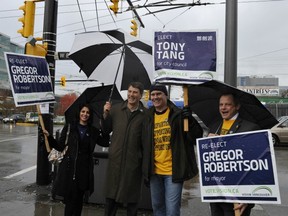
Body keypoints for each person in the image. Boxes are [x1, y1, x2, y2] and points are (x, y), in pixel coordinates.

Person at [142, 83, 203, 216]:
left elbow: (196, 136)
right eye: (153, 94)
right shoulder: (147, 117)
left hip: (173, 172)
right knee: (157, 207)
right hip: (154, 171)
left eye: (159, 94)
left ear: (166, 95)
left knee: (172, 210)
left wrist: (190, 120)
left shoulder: (178, 114)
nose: (155, 97)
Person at [43, 104, 110, 216]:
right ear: (79, 113)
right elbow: (60, 146)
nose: (85, 114)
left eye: (87, 112)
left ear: (90, 115)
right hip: (70, 170)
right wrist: (49, 137)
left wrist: (104, 122)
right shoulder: (70, 127)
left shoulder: (93, 131)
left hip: (84, 171)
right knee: (69, 202)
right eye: (83, 111)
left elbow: (105, 142)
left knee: (79, 202)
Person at [208, 93, 260, 216]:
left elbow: (257, 164)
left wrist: (248, 198)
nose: (223, 108)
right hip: (216, 191)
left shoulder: (250, 128)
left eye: (228, 104)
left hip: (238, 195)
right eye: (221, 104)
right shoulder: (214, 127)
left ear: (237, 106)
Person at [101, 82, 148, 216]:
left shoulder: (145, 114)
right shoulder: (115, 110)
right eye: (130, 91)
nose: (131, 95)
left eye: (135, 92)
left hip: (133, 165)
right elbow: (105, 130)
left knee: (132, 202)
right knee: (111, 200)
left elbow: (146, 142)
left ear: (140, 95)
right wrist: (105, 114)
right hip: (115, 162)